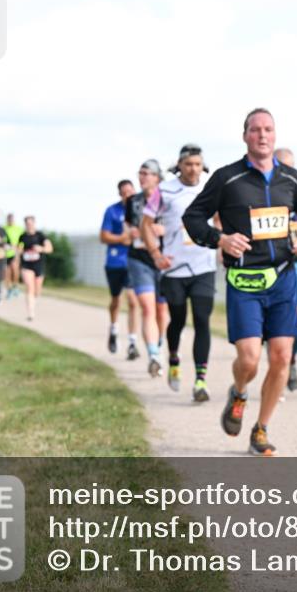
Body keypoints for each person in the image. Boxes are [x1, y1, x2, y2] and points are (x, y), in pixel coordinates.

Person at [185, 108, 297, 456]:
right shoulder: (226, 178)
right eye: (255, 130)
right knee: (248, 360)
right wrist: (220, 239)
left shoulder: (291, 179)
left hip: (282, 279)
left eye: (268, 129)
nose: (262, 135)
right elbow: (193, 217)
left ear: (274, 136)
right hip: (244, 282)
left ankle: (260, 429)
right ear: (245, 136)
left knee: (280, 356)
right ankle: (239, 392)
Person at [142, 144, 218, 401]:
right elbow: (146, 224)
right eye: (188, 164)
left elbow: (219, 219)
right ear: (180, 165)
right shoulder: (164, 191)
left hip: (204, 266)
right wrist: (155, 254)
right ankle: (173, 357)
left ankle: (200, 380)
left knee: (201, 320)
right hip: (174, 268)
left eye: (197, 164)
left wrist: (221, 243)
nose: (193, 169)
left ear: (202, 165)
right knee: (177, 319)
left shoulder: (211, 187)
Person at [273, 147, 297, 393]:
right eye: (282, 166)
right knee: (277, 330)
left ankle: (292, 359)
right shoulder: (264, 195)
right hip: (272, 266)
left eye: (291, 166)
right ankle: (279, 372)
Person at [126, 160, 170, 377]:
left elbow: (180, 224)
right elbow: (128, 228)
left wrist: (163, 229)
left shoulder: (168, 197)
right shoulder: (133, 201)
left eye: (147, 173)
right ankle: (153, 354)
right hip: (139, 259)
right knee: (147, 307)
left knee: (162, 310)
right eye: (140, 173)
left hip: (163, 259)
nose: (142, 177)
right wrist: (134, 232)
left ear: (157, 177)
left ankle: (159, 345)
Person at [100, 179, 141, 359]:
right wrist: (122, 238)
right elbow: (104, 236)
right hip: (115, 262)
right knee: (116, 300)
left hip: (134, 261)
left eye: (130, 192)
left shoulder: (142, 209)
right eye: (124, 193)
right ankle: (114, 329)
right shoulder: (112, 211)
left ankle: (132, 342)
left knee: (133, 300)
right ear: (120, 194)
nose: (127, 195)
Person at [17, 215, 53, 321]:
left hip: (38, 265)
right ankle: (30, 313)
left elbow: (50, 248)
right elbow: (19, 249)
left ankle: (33, 301)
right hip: (26, 265)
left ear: (34, 223)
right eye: (27, 224)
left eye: (30, 223)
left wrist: (41, 248)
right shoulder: (22, 236)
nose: (29, 225)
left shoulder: (41, 236)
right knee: (29, 288)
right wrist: (19, 252)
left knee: (37, 291)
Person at [3, 213, 24, 299]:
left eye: (12, 219)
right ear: (7, 220)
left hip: (15, 253)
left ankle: (15, 286)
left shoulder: (19, 229)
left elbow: (22, 241)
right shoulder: (3, 229)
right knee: (6, 274)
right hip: (5, 254)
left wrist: (18, 251)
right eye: (9, 219)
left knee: (15, 270)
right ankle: (9, 290)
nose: (10, 221)